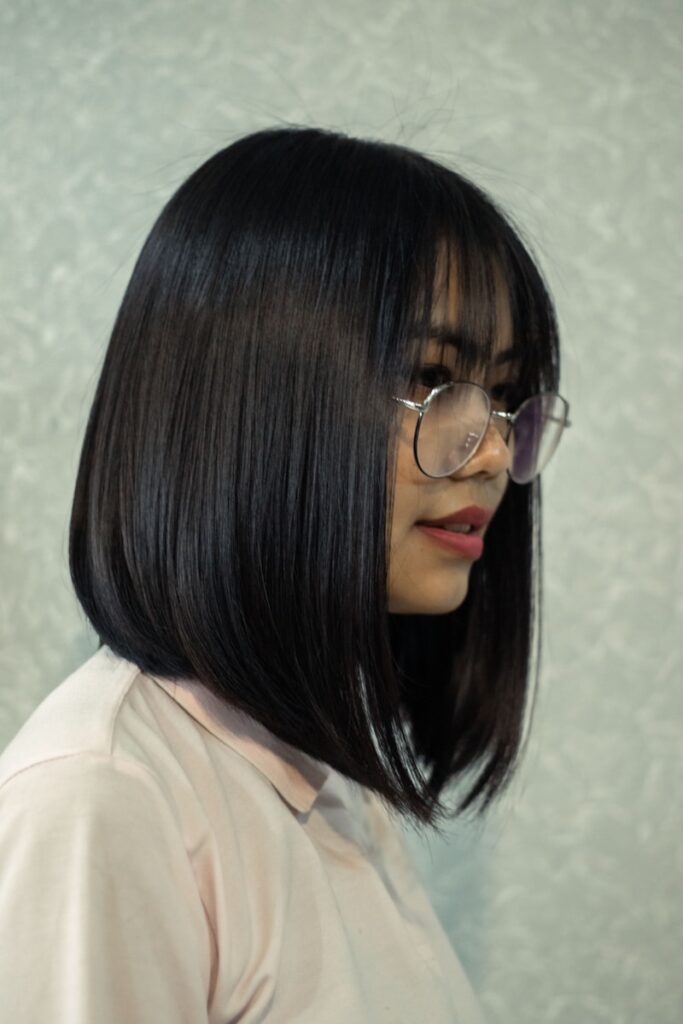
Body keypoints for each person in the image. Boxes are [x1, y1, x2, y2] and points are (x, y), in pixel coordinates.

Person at [0, 125, 571, 1023]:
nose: (494, 447)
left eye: (504, 394)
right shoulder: (104, 801)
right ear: (255, 399)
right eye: (432, 377)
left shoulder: (317, 757)